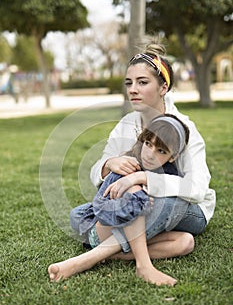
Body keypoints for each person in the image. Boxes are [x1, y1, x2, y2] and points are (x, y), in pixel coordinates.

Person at [48, 42, 216, 285]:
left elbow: (197, 188)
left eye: (142, 82)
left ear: (163, 87)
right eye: (129, 83)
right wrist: (110, 164)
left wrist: (142, 178)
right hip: (150, 211)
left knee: (140, 194)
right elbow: (98, 171)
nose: (133, 89)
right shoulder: (127, 124)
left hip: (189, 210)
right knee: (183, 242)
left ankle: (99, 258)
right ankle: (125, 253)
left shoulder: (184, 127)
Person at [48, 114, 190, 285]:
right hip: (105, 226)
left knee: (186, 242)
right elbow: (101, 207)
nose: (150, 154)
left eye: (161, 151)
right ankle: (142, 266)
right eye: (148, 144)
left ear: (173, 156)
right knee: (133, 192)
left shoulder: (169, 175)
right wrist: (139, 201)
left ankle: (111, 255)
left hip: (135, 235)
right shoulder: (128, 165)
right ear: (142, 141)